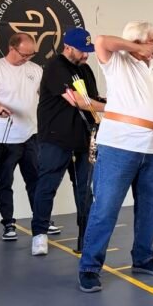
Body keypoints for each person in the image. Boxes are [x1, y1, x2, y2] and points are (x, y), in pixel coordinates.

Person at [78, 21, 153, 292]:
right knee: (106, 208)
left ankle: (143, 257)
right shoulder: (118, 62)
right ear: (136, 42)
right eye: (151, 40)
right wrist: (135, 48)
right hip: (118, 147)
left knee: (152, 208)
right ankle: (89, 267)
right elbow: (101, 41)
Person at [30, 28, 105, 256]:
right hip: (56, 138)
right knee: (47, 185)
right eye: (82, 50)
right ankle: (39, 234)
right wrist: (113, 107)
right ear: (68, 47)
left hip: (83, 138)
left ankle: (86, 236)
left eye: (88, 50)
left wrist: (110, 102)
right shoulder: (55, 67)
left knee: (84, 189)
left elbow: (92, 99)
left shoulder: (86, 69)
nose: (86, 55)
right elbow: (79, 101)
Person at [0, 33, 45, 240]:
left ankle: (40, 220)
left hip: (30, 135)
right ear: (11, 48)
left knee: (35, 181)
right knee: (4, 182)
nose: (27, 58)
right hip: (3, 139)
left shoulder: (36, 70)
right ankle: (8, 223)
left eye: (31, 54)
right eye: (24, 54)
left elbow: (44, 96)